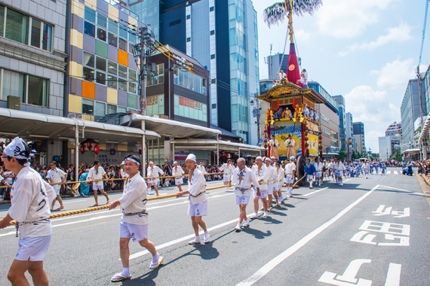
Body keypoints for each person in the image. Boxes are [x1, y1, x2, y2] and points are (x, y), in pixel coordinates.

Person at [0, 137, 56, 286]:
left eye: (4, 156)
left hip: (34, 231)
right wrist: (41, 209)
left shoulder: (25, 178)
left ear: (13, 159)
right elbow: (50, 193)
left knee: (14, 275)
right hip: (37, 228)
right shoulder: (30, 173)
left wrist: (2, 223)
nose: (2, 159)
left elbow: (17, 211)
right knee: (35, 269)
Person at [109, 154, 163, 282]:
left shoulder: (139, 181)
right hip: (126, 216)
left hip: (137, 217)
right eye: (125, 164)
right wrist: (119, 204)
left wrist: (117, 202)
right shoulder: (128, 179)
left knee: (143, 242)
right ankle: (125, 271)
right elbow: (126, 197)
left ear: (137, 166)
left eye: (130, 164)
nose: (127, 167)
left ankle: (156, 256)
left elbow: (128, 198)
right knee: (123, 242)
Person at [175, 154, 210, 245]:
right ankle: (197, 237)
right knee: (193, 219)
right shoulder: (190, 172)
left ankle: (206, 232)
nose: (188, 164)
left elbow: (194, 188)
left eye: (190, 162)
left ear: (195, 163)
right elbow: (191, 187)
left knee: (198, 219)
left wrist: (181, 193)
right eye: (187, 162)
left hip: (200, 198)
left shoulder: (198, 173)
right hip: (192, 199)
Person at [231, 157, 259, 231]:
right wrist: (231, 183)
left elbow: (254, 180)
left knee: (243, 207)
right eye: (238, 165)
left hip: (246, 191)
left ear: (244, 164)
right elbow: (233, 178)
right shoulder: (236, 170)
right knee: (241, 208)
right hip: (238, 191)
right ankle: (246, 220)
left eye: (240, 165)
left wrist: (258, 188)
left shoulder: (249, 171)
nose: (239, 166)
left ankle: (238, 224)